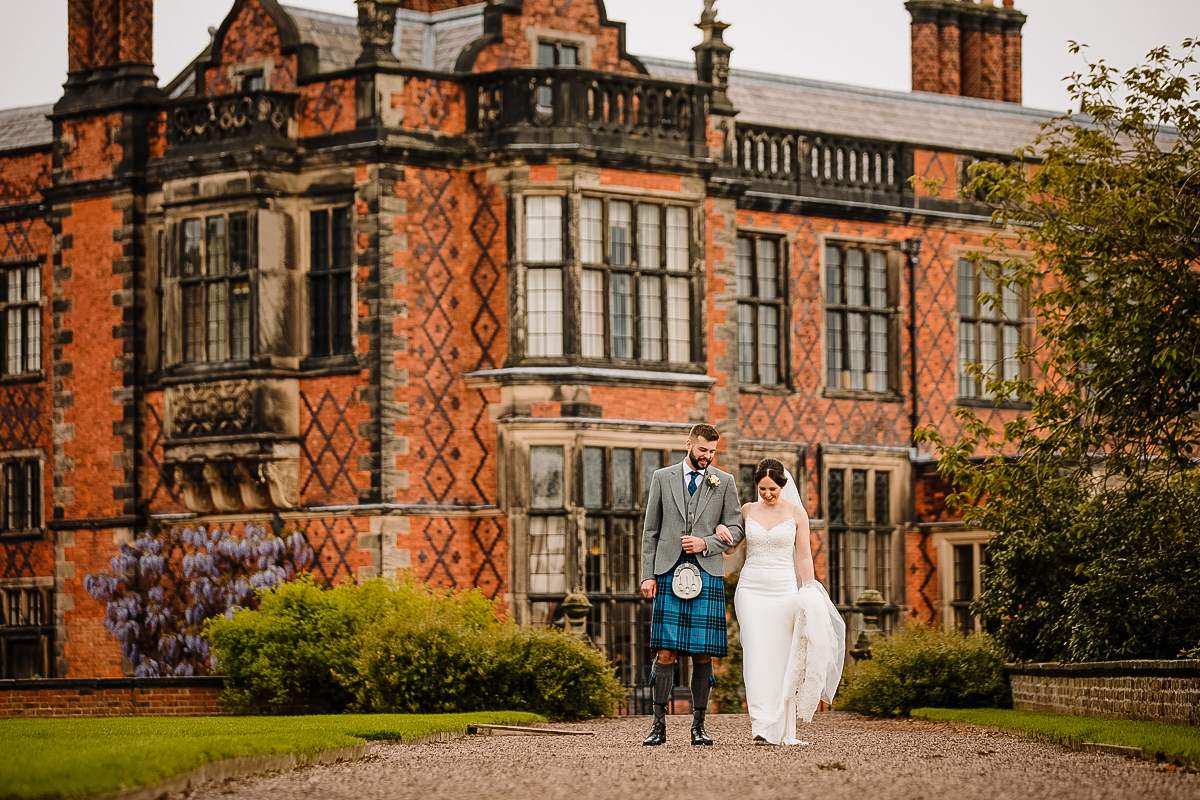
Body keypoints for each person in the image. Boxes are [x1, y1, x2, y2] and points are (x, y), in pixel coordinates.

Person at [717, 458, 846, 745]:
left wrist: (810, 588)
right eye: (762, 489)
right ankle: (761, 724)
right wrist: (720, 533)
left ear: (783, 485)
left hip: (783, 589)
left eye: (772, 489)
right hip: (750, 589)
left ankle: (780, 726)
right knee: (755, 651)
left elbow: (802, 556)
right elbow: (731, 550)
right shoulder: (747, 510)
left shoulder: (797, 513)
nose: (767, 494)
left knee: (780, 656)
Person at [639, 423, 745, 746]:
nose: (707, 457)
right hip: (669, 572)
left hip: (707, 572)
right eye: (702, 450)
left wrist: (707, 543)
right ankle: (658, 726)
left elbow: (738, 529)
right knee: (666, 652)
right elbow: (650, 532)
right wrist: (647, 574)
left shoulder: (724, 482)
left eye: (712, 452)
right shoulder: (662, 478)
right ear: (689, 443)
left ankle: (698, 726)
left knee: (702, 653)